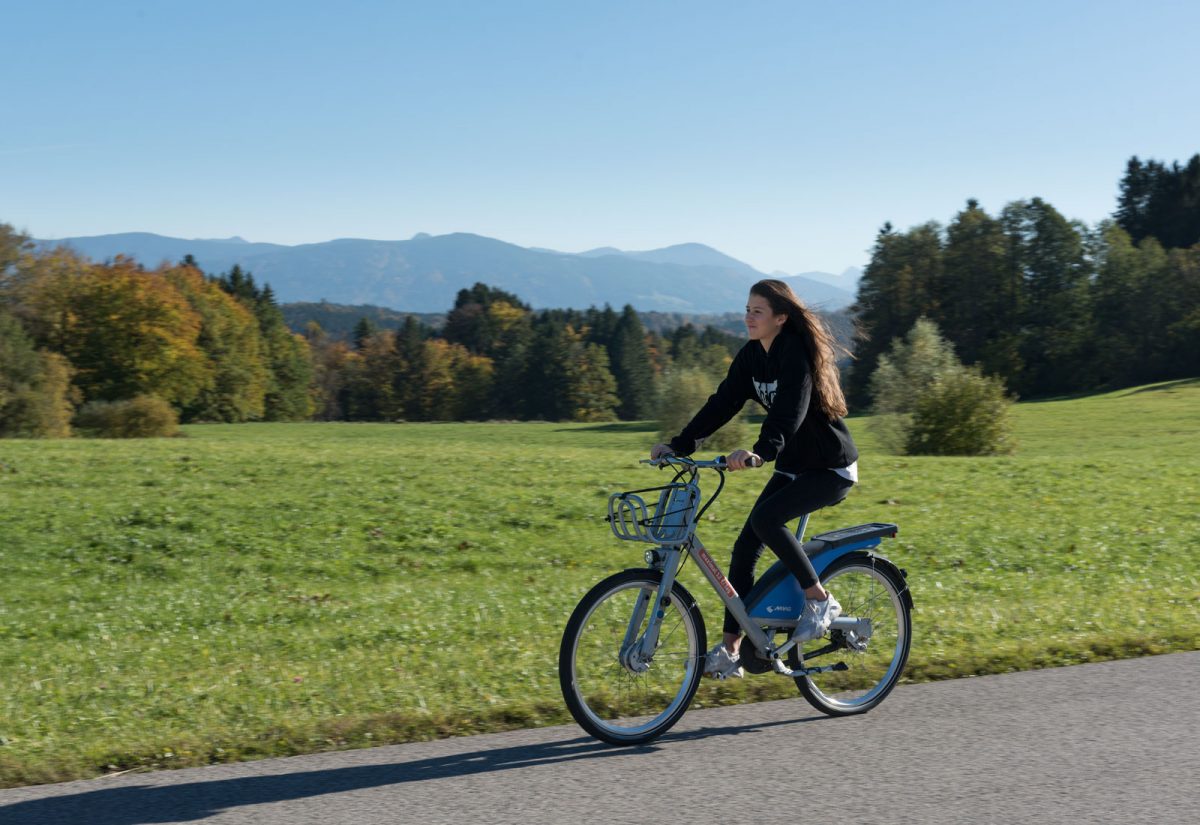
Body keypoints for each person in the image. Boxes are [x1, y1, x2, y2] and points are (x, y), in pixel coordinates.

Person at [650, 279, 859, 679]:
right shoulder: (751, 357)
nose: (748, 317)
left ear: (781, 318)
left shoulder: (794, 353)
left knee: (766, 521)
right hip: (793, 465)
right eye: (747, 309)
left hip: (830, 467)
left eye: (757, 311)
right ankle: (732, 649)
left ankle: (820, 600)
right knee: (745, 546)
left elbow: (790, 412)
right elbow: (723, 402)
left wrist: (761, 451)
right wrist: (681, 445)